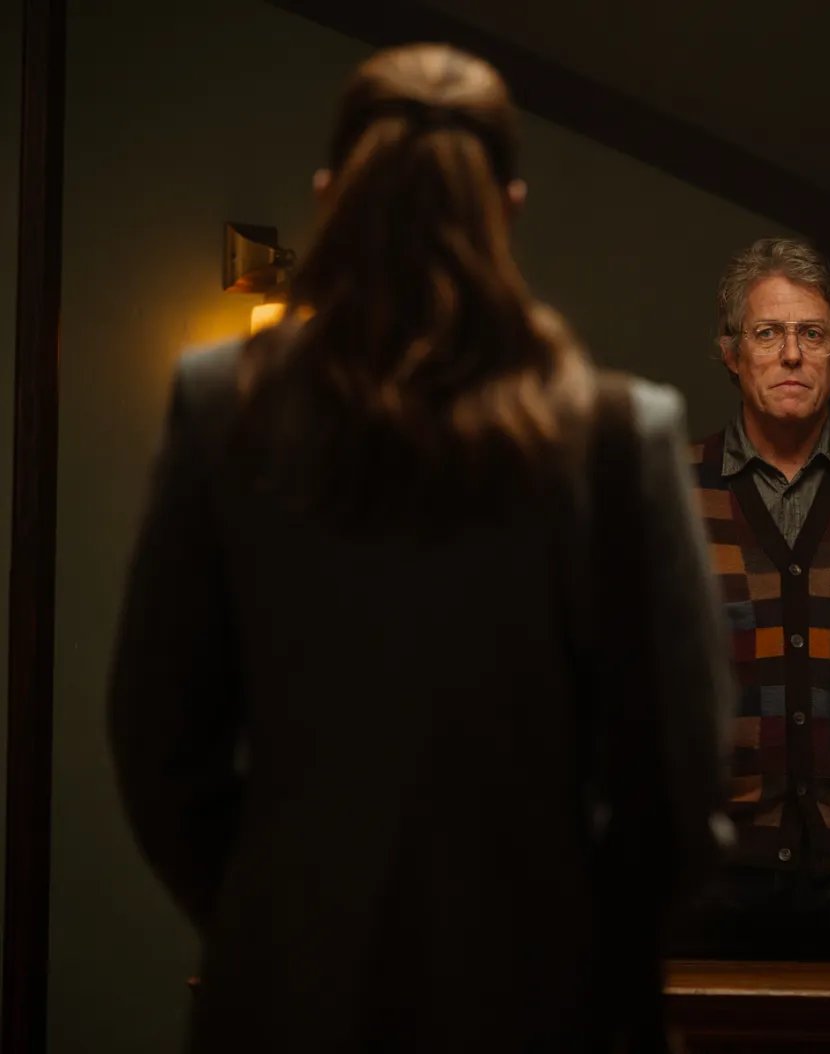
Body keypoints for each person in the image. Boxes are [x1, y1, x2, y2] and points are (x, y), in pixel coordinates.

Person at [108, 43, 728, 1054]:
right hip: (548, 1004)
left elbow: (157, 748)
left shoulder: (225, 405)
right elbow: (679, 785)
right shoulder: (618, 431)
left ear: (329, 195)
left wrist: (278, 921)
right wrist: (575, 952)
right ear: (509, 207)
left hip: (287, 1001)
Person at [671, 238, 830, 961]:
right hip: (716, 860)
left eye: (812, 334)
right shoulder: (672, 488)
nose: (791, 354)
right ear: (731, 354)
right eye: (767, 333)